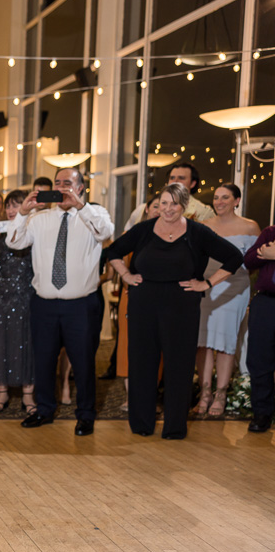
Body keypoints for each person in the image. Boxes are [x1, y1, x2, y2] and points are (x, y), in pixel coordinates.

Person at [106, 183, 242, 439]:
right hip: (143, 304)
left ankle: (175, 427)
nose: (167, 209)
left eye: (174, 204)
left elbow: (234, 257)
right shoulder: (144, 229)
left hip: (182, 307)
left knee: (179, 366)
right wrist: (125, 274)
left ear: (184, 206)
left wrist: (207, 283)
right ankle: (142, 424)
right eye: (163, 203)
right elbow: (112, 250)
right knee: (142, 363)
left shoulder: (198, 232)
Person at [9, 168, 113, 436]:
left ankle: (86, 414)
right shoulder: (39, 218)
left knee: (83, 361)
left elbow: (105, 233)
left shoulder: (95, 215)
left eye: (68, 183)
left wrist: (81, 207)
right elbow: (14, 242)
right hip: (44, 303)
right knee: (43, 360)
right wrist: (23, 212)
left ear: (80, 187)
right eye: (57, 183)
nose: (61, 188)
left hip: (80, 305)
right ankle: (44, 409)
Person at [194, 184, 260, 416]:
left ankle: (221, 395)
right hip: (206, 287)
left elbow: (254, 262)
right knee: (203, 342)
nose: (219, 202)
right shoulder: (203, 226)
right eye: (216, 198)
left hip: (234, 288)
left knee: (225, 340)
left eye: (225, 197)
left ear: (237, 201)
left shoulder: (250, 226)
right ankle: (204, 393)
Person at [0, 189, 35, 414]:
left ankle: (28, 395)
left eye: (17, 205)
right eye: (10, 206)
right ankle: (2, 393)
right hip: (0, 295)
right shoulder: (0, 230)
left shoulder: (34, 229)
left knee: (27, 343)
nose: (12, 210)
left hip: (28, 293)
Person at [115, 195, 161, 410]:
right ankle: (131, 395)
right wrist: (126, 276)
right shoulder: (132, 234)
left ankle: (152, 395)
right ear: (146, 210)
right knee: (129, 346)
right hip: (131, 296)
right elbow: (114, 254)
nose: (160, 210)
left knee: (157, 348)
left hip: (160, 301)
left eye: (166, 206)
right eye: (156, 206)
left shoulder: (173, 236)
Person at [245, 224, 275, 433]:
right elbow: (248, 260)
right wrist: (265, 253)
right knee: (259, 358)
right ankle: (262, 413)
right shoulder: (270, 233)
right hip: (266, 302)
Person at [123, 162, 213, 232]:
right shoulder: (145, 207)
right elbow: (127, 234)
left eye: (181, 178)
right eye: (172, 178)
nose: (175, 181)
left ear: (193, 183)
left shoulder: (204, 212)